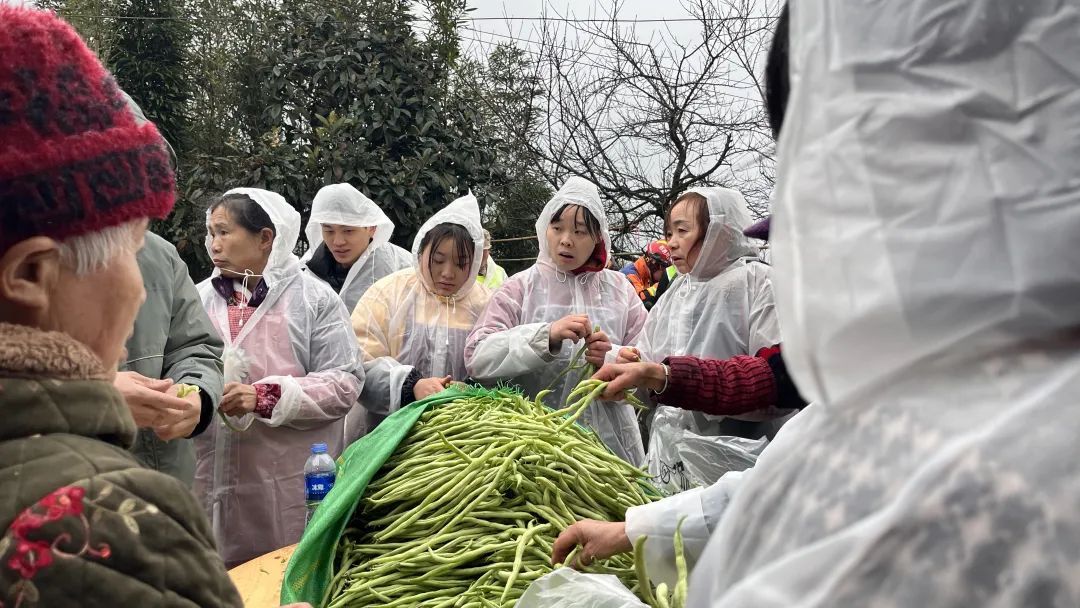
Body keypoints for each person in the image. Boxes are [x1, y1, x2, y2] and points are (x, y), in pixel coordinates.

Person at [563, 1, 1080, 605]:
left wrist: (665, 378)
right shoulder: (885, 387)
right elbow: (777, 477)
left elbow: (771, 382)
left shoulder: (1019, 453)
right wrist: (636, 525)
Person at [0, 7, 241, 605]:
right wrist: (105, 390)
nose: (138, 287)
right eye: (128, 251)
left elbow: (197, 345)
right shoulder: (101, 522)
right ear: (30, 275)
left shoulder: (167, 262)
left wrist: (196, 396)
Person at [196, 188, 364, 567]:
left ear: (265, 238)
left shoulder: (313, 300)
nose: (213, 244)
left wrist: (266, 396)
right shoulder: (198, 298)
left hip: (280, 484)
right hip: (206, 478)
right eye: (211, 232)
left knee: (276, 576)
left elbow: (344, 382)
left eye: (224, 232)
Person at [465, 177, 648, 465]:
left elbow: (650, 363)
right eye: (557, 227)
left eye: (580, 231)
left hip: (609, 452)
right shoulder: (520, 287)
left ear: (598, 238)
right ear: (544, 229)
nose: (566, 240)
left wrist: (612, 358)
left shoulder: (620, 290)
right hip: (528, 445)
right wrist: (546, 335)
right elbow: (478, 357)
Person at [618, 187, 789, 442]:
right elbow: (648, 361)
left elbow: (776, 381)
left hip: (743, 450)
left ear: (721, 232)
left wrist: (671, 381)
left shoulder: (758, 282)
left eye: (682, 230)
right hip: (669, 450)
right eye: (669, 233)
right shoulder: (674, 292)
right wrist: (620, 361)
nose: (671, 242)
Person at [351, 193, 491, 433]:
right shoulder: (388, 294)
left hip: (462, 435)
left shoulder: (487, 304)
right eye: (438, 260)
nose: (447, 273)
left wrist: (471, 390)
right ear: (421, 252)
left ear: (476, 261)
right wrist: (410, 386)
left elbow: (499, 368)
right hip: (386, 435)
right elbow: (358, 362)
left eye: (461, 263)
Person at [117, 232, 226, 485]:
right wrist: (95, 393)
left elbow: (195, 346)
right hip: (59, 487)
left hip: (160, 479)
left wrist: (195, 391)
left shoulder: (159, 254)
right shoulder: (31, 248)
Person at [301, 183, 412, 313]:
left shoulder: (398, 267)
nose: (338, 242)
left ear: (371, 228)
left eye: (348, 231)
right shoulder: (309, 267)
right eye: (329, 231)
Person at [620, 240, 672, 309]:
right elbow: (642, 306)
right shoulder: (629, 277)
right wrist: (661, 286)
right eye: (664, 269)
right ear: (654, 264)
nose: (664, 274)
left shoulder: (643, 276)